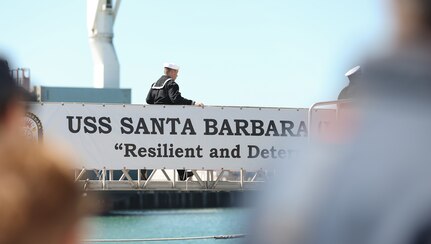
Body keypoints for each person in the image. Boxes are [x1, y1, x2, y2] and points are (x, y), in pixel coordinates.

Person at [146, 63, 203, 181]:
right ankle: (182, 174)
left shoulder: (154, 85)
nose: (177, 75)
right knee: (176, 147)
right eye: (176, 73)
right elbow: (176, 99)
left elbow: (148, 100)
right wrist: (193, 103)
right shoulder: (171, 84)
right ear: (172, 72)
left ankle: (143, 169)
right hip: (169, 123)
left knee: (154, 147)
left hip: (155, 122)